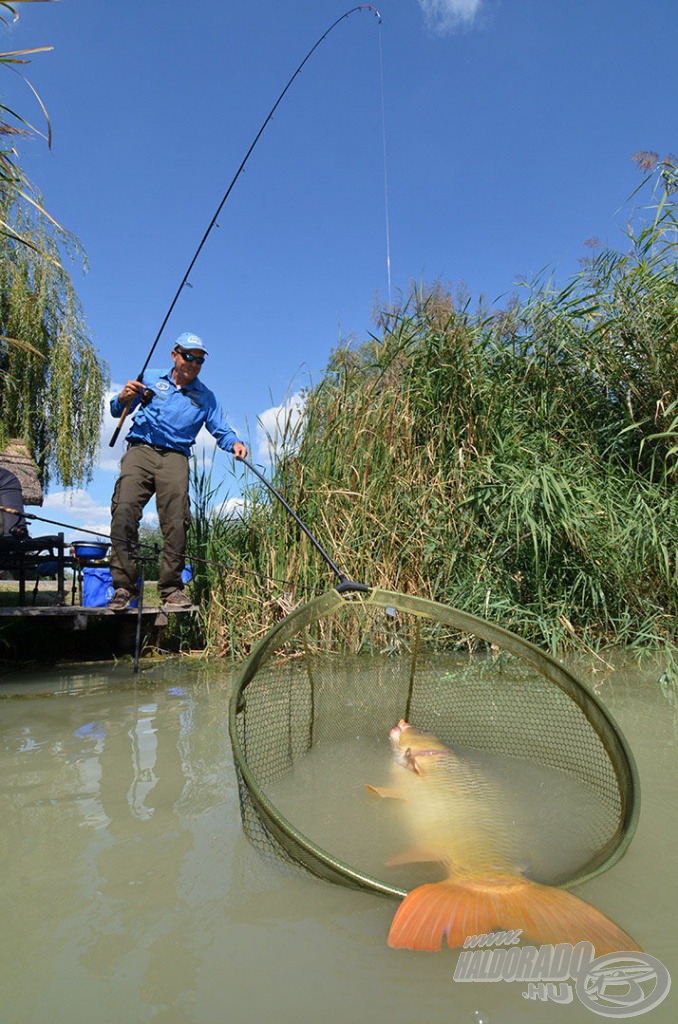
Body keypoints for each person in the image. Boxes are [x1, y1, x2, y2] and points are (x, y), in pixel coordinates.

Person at [108, 332, 247, 610]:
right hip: (141, 450)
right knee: (123, 511)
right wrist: (123, 397)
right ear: (175, 355)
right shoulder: (149, 376)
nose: (194, 363)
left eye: (199, 360)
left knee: (176, 521)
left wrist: (235, 443)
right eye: (188, 356)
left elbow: (220, 428)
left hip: (176, 457)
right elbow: (117, 410)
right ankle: (125, 588)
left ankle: (171, 589)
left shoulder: (205, 396)